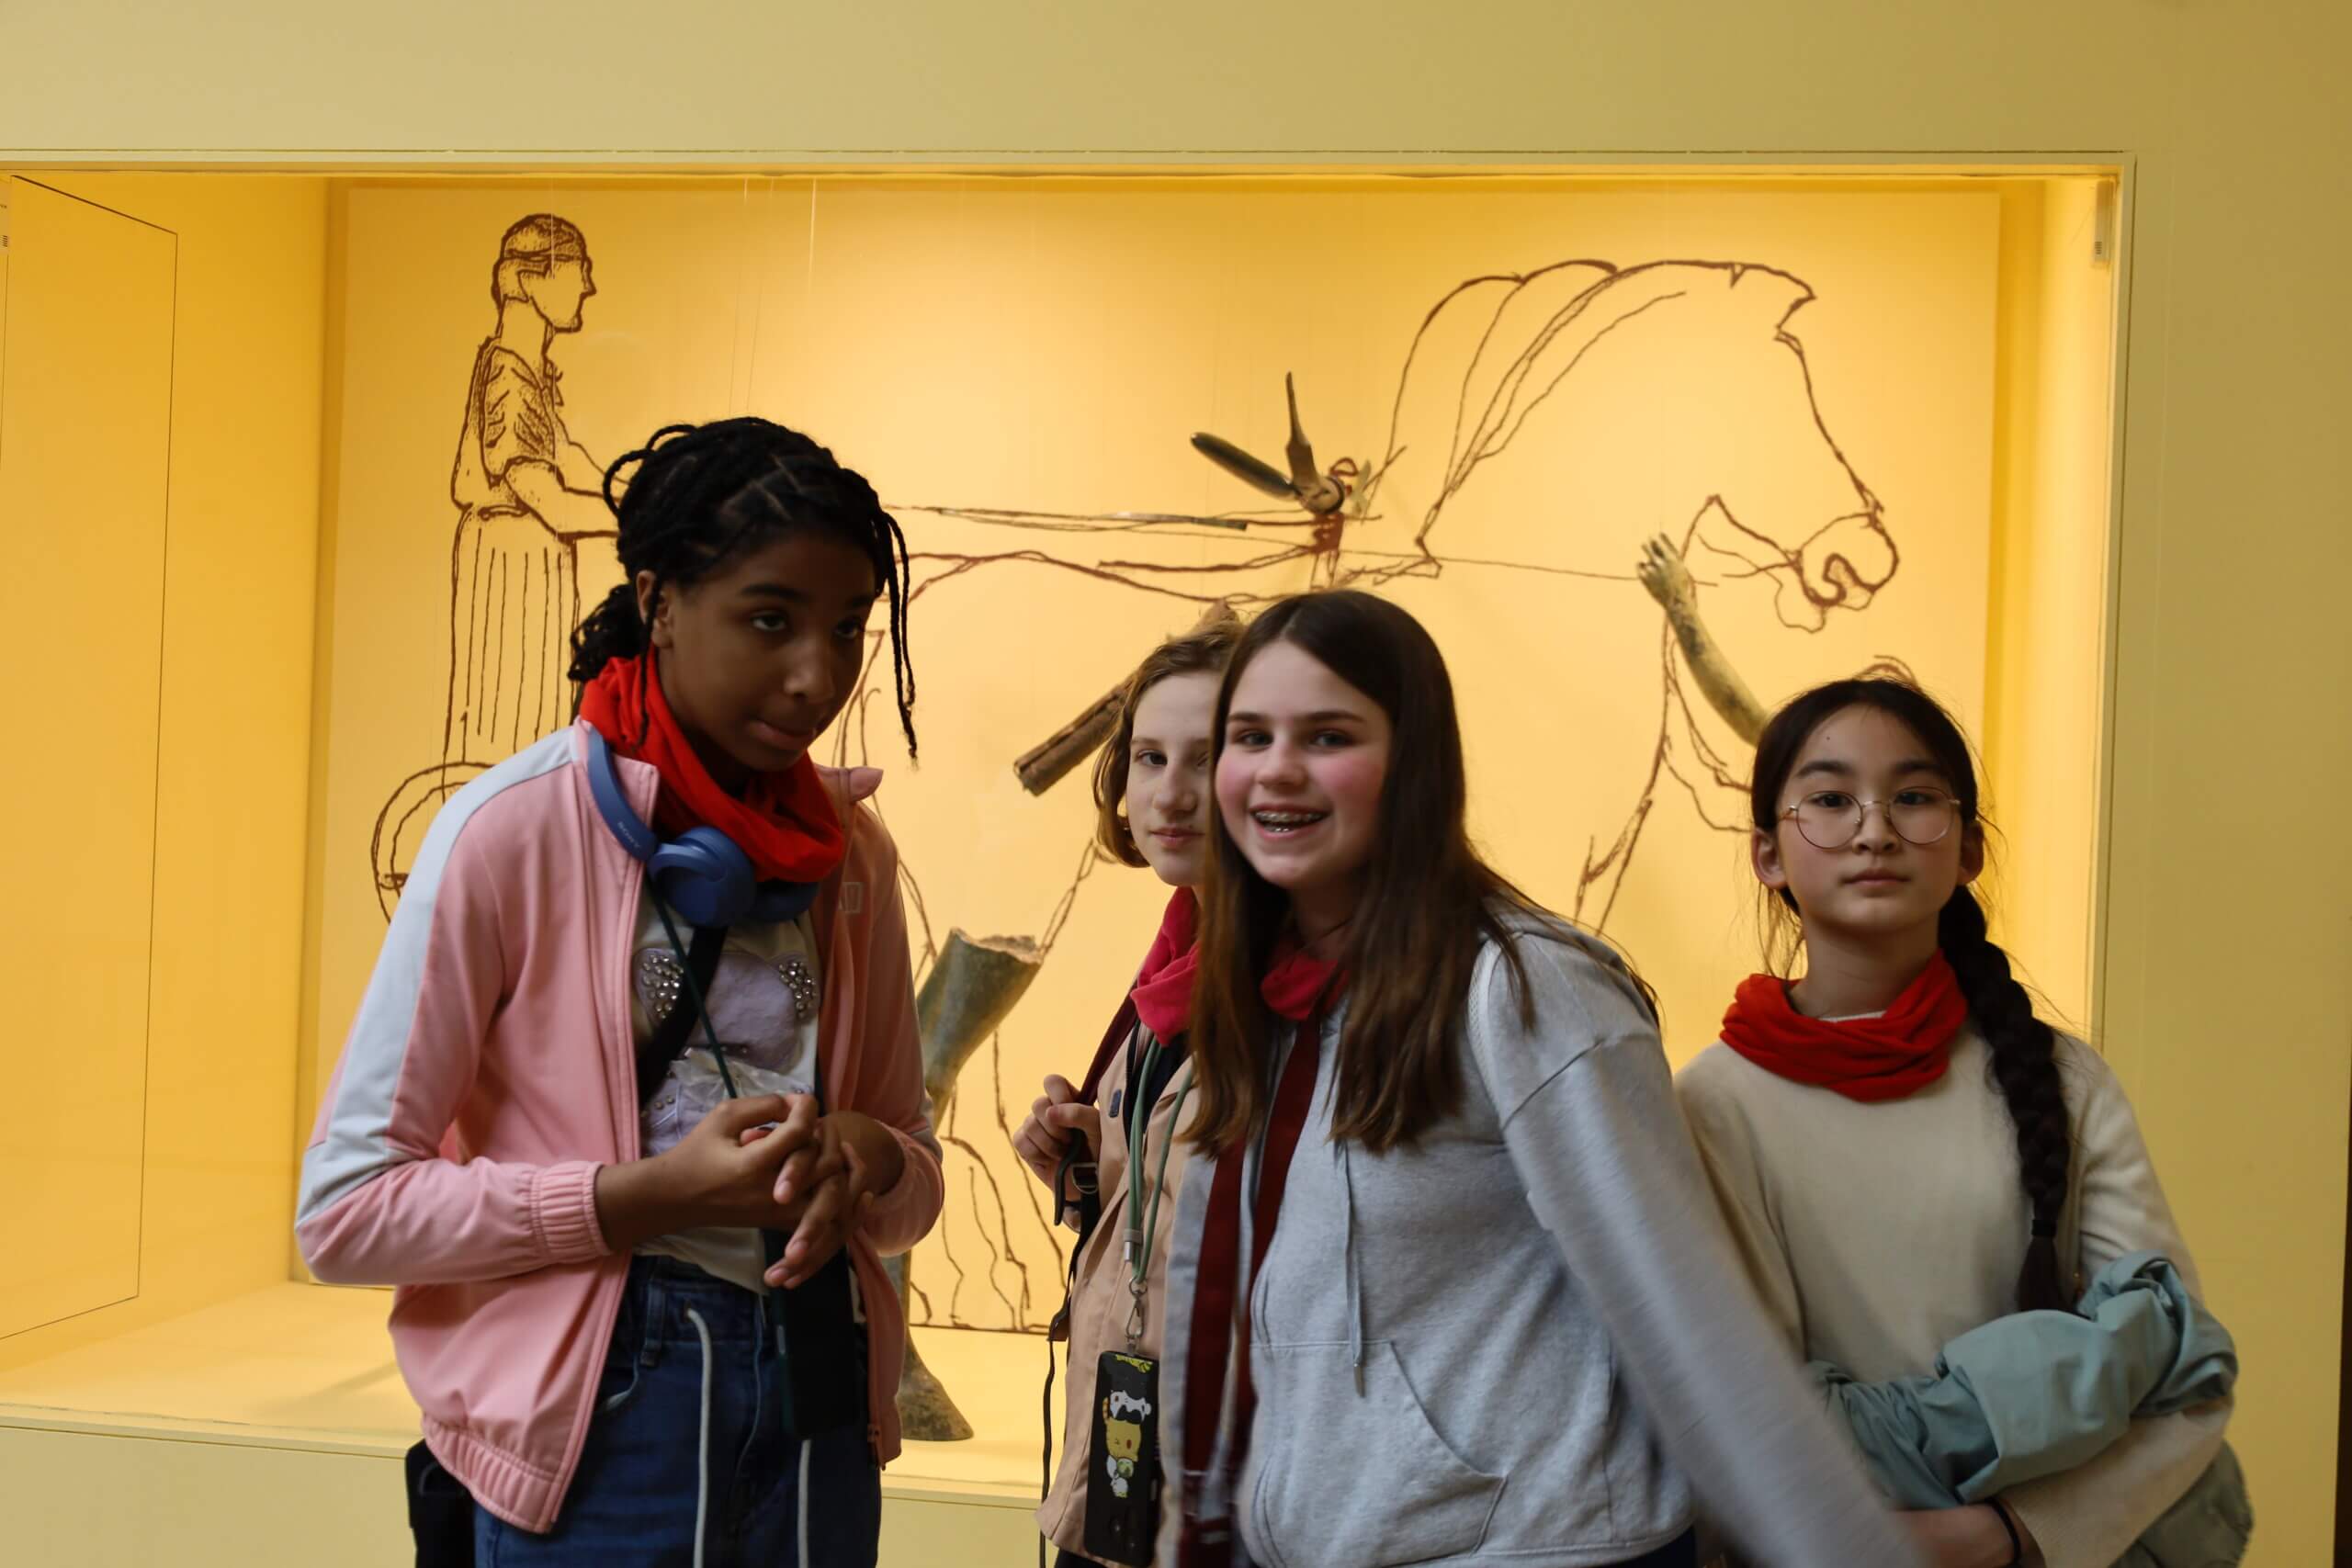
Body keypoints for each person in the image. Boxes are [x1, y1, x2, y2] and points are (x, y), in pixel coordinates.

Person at [1159, 590, 1926, 1568]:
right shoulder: (1267, 997)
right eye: (1250, 736)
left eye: (1328, 735)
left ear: (1414, 763)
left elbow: (1693, 1329)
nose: (1276, 769)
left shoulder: (1525, 990)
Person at [298, 416, 941, 1566]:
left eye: (849, 628)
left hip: (819, 1398)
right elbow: (346, 1212)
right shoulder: (509, 833)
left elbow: (913, 1182)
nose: (817, 677)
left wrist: (870, 1159)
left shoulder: (854, 853)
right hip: (599, 1414)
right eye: (770, 620)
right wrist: (634, 1198)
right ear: (659, 602)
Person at [1676, 678, 2231, 1567]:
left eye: (1913, 797)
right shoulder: (1708, 1103)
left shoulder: (2063, 1079)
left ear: (1968, 849)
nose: (1875, 831)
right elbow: (1723, 1404)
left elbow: (2187, 1370)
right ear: (1767, 855)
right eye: (1830, 800)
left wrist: (2011, 1534)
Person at [1014, 608, 1244, 1567]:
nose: (1169, 793)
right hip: (1122, 1463)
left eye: (1208, 756)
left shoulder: (1300, 992)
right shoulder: (1171, 969)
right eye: (1149, 758)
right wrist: (1093, 1169)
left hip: (1228, 1489)